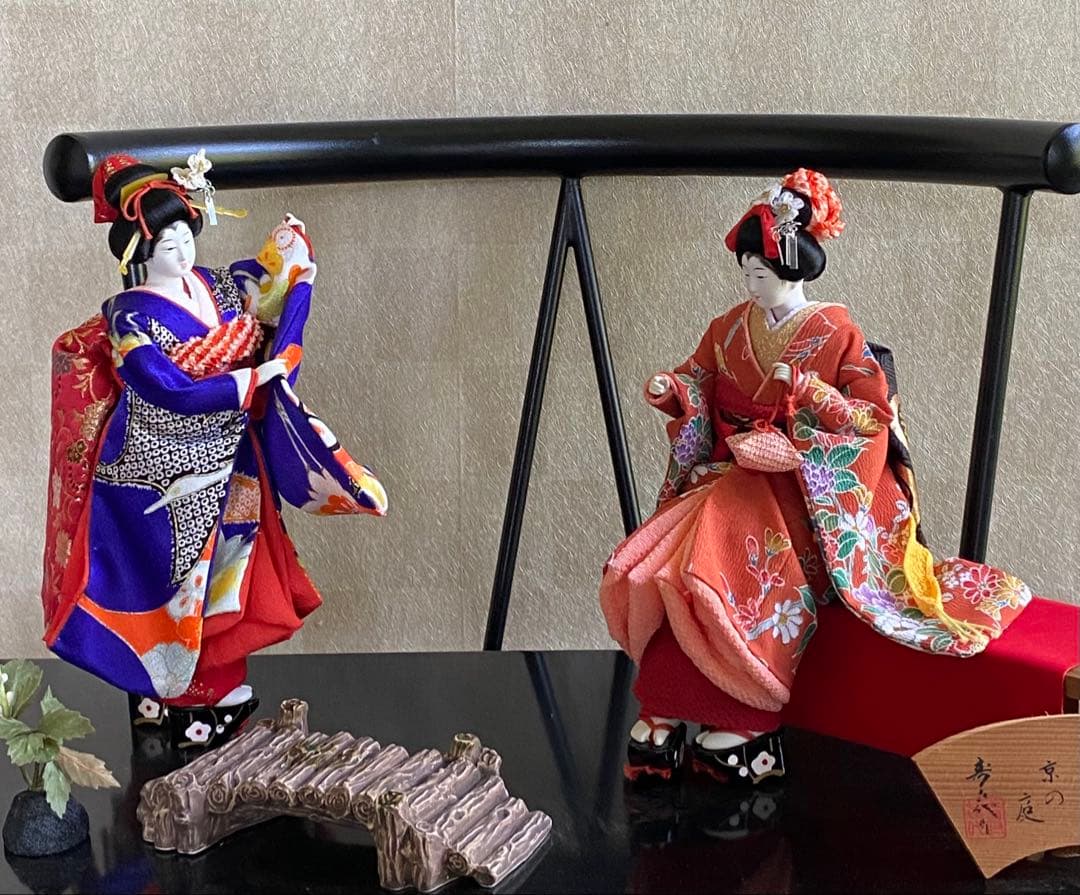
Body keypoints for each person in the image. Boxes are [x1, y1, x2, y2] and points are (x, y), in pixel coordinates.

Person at [599, 169, 1032, 782]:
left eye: (762, 272)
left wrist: (806, 401)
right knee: (667, 561)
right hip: (730, 470)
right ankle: (663, 705)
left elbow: (872, 417)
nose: (752, 284)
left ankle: (748, 715)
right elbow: (699, 378)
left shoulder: (838, 334)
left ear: (795, 268)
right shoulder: (727, 328)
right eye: (747, 272)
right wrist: (674, 390)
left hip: (799, 489)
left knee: (723, 557)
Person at [42, 153, 387, 748]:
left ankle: (213, 688)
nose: (182, 252)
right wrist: (247, 381)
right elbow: (161, 384)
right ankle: (172, 697)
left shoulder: (215, 285)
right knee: (167, 586)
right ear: (137, 252)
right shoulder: (128, 315)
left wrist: (288, 255)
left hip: (230, 457)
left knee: (232, 574)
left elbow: (266, 290)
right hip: (156, 465)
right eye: (166, 244)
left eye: (185, 236)